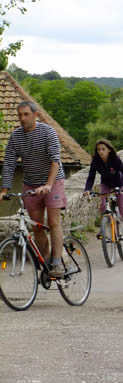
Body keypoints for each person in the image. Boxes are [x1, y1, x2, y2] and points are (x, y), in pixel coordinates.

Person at [0, 101, 67, 278]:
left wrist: (49, 185)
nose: (22, 118)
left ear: (35, 115)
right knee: (36, 226)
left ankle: (57, 263)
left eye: (26, 114)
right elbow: (9, 164)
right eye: (20, 115)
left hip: (53, 181)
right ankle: (46, 262)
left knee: (53, 222)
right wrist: (4, 190)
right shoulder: (16, 137)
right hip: (31, 183)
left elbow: (55, 160)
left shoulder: (48, 132)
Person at [82, 139, 123, 243]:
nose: (101, 152)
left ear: (109, 150)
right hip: (105, 183)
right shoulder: (96, 161)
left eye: (103, 149)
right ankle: (102, 230)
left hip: (119, 184)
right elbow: (91, 176)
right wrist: (87, 189)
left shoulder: (115, 159)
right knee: (102, 205)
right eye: (98, 149)